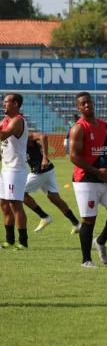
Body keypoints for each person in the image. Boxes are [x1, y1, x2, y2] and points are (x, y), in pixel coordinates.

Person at [69, 91, 107, 268]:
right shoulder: (78, 128)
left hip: (103, 177)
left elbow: (104, 151)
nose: (87, 105)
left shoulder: (103, 126)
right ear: (78, 107)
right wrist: (95, 171)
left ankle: (100, 240)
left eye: (89, 102)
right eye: (82, 104)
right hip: (85, 179)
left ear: (93, 103)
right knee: (88, 220)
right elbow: (74, 157)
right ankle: (86, 260)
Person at [23, 130, 81, 234]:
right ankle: (76, 224)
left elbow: (43, 136)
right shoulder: (14, 139)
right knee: (55, 198)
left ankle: (44, 217)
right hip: (48, 169)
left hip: (41, 170)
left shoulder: (26, 136)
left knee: (19, 193)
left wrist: (45, 157)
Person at [0, 93, 29, 250]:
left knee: (15, 204)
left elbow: (3, 134)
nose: (4, 104)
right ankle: (9, 240)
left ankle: (23, 241)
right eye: (4, 102)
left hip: (16, 169)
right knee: (4, 204)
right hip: (6, 168)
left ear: (16, 104)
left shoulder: (18, 120)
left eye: (7, 102)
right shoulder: (5, 120)